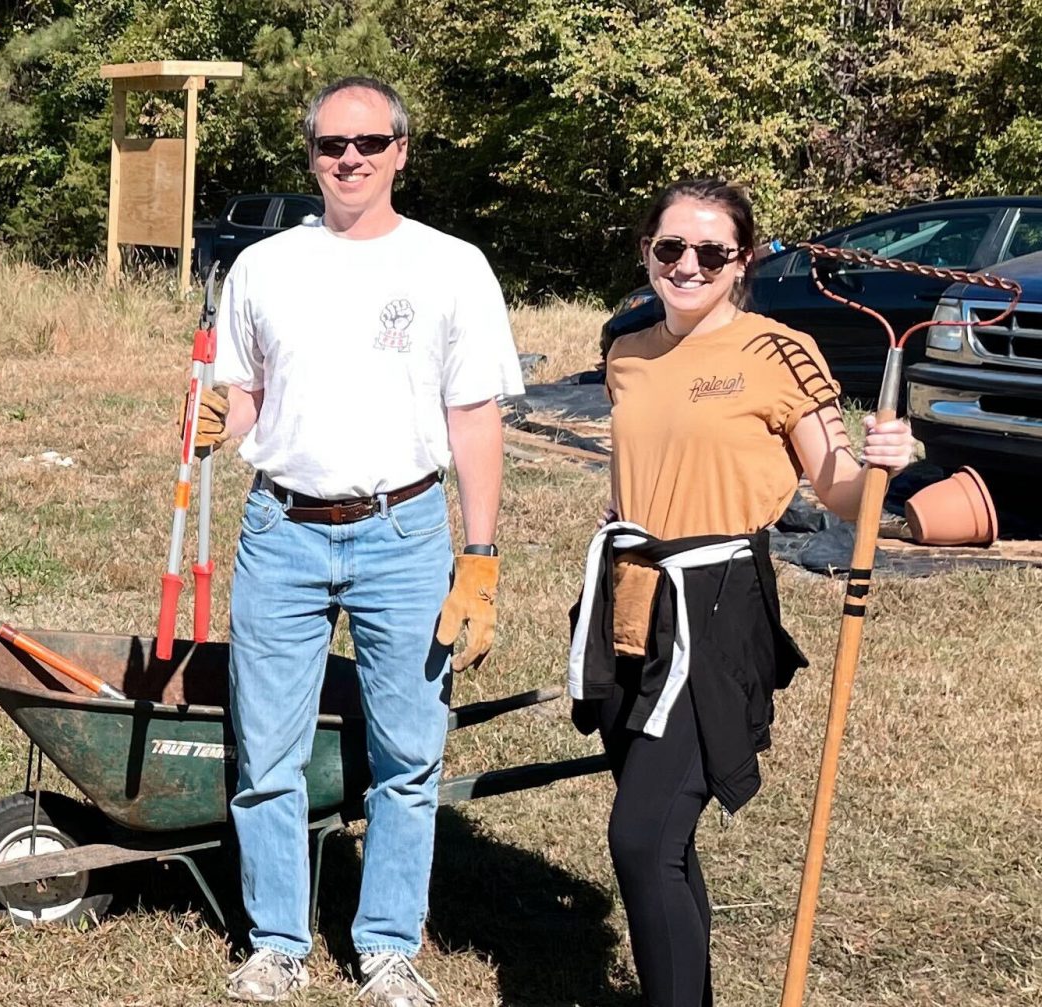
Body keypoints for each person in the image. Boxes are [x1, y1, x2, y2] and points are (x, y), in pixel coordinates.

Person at [194, 77, 521, 1006]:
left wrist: (481, 553)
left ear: (401, 151)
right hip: (283, 528)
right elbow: (244, 399)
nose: (349, 159)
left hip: (404, 532)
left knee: (410, 754)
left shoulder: (452, 266)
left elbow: (475, 418)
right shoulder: (265, 267)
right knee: (265, 751)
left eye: (369, 143)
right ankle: (277, 943)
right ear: (311, 155)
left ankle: (385, 945)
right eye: (332, 144)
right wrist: (218, 419)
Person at [571, 178, 915, 1007]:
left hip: (717, 604)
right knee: (667, 844)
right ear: (648, 253)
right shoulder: (626, 347)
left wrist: (882, 462)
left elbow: (835, 486)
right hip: (630, 598)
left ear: (743, 260)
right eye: (670, 249)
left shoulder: (779, 350)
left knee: (642, 836)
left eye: (711, 252)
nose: (688, 265)